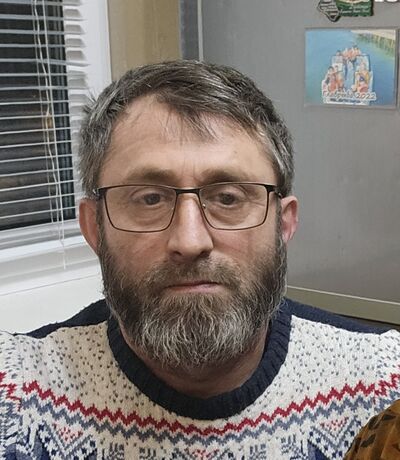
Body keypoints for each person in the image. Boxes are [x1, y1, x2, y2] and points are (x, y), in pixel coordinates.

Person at [0, 60, 399, 459]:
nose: (190, 241)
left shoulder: (386, 385)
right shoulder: (15, 400)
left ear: (283, 223)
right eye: (149, 199)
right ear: (94, 228)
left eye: (228, 197)